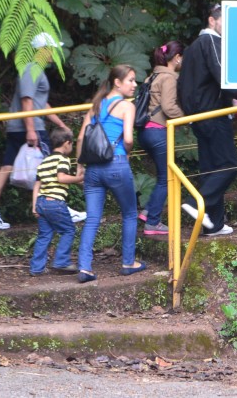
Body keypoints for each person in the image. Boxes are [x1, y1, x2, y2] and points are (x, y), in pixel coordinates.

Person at [177, 3, 237, 236]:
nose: (227, 28)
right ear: (212, 21)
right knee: (229, 166)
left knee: (211, 169)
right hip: (213, 114)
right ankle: (196, 204)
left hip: (197, 116)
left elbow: (185, 85)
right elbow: (223, 76)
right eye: (224, 22)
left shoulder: (192, 48)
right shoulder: (210, 42)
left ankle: (212, 224)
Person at [0, 32, 74, 230]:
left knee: (7, 166)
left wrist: (61, 124)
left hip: (20, 126)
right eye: (52, 48)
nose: (55, 52)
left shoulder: (34, 70)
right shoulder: (31, 69)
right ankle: (60, 208)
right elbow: (27, 101)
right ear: (42, 50)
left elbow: (42, 103)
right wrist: (31, 130)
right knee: (53, 164)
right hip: (28, 128)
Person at [76, 64, 145, 283]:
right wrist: (126, 153)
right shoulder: (126, 106)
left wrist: (79, 165)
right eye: (131, 80)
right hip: (116, 164)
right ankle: (128, 262)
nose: (135, 85)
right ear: (118, 82)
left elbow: (80, 138)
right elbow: (128, 139)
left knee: (92, 218)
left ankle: (84, 268)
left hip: (93, 168)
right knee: (130, 213)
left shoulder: (96, 105)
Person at [137, 41, 185, 236]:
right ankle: (153, 223)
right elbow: (168, 107)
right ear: (177, 58)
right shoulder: (169, 78)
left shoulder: (152, 76)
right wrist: (187, 118)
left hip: (145, 132)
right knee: (168, 178)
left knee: (163, 176)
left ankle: (148, 211)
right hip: (158, 132)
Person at [29, 127, 84, 275]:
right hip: (55, 203)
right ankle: (61, 261)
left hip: (41, 202)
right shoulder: (63, 159)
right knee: (68, 230)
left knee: (44, 235)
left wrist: (34, 206)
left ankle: (36, 268)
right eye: (71, 145)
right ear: (67, 143)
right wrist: (78, 179)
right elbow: (61, 178)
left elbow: (37, 186)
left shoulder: (44, 161)